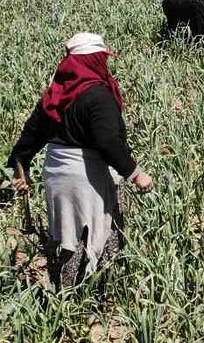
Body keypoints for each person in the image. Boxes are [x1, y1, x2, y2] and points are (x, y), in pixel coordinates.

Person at [8, 33, 154, 287]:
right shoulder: (98, 95)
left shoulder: (56, 93)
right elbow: (107, 141)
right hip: (85, 174)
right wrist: (135, 173)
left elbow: (32, 133)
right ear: (96, 61)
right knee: (95, 234)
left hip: (55, 172)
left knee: (66, 234)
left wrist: (22, 164)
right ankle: (92, 293)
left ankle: (62, 291)